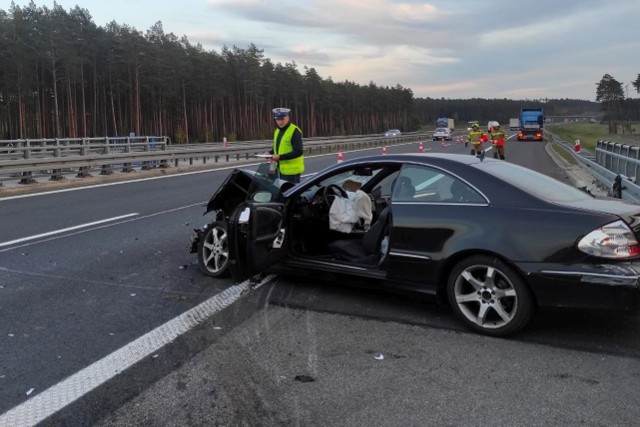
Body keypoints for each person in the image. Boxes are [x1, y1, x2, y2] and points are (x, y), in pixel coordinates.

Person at [270, 107, 304, 183]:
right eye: (277, 119)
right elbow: (278, 147)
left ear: (287, 118)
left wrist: (280, 157)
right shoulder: (277, 130)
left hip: (292, 171)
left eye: (282, 119)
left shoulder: (294, 131)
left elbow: (298, 151)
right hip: (279, 168)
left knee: (290, 193)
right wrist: (269, 153)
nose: (280, 122)